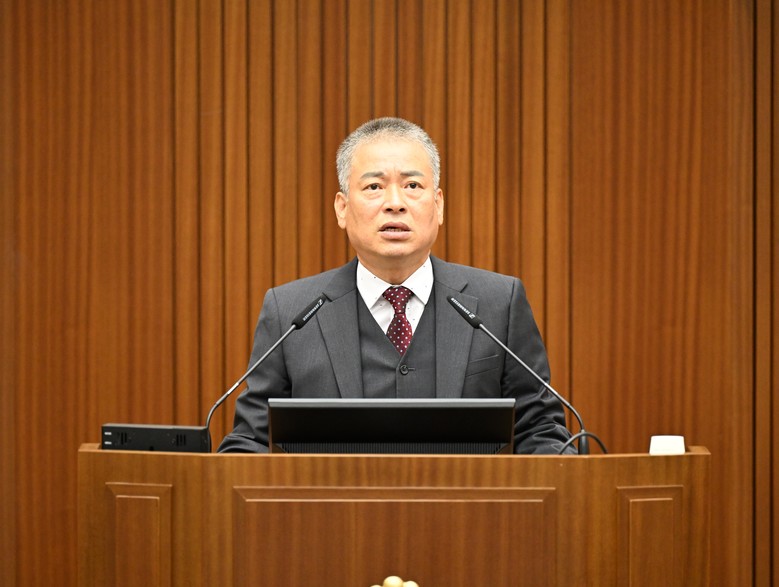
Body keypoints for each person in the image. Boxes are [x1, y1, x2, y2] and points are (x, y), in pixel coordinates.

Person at [218, 117, 573, 454]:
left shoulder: (498, 304)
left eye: (412, 186)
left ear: (439, 205)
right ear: (342, 208)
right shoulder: (291, 313)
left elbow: (540, 430)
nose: (395, 204)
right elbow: (250, 441)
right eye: (374, 187)